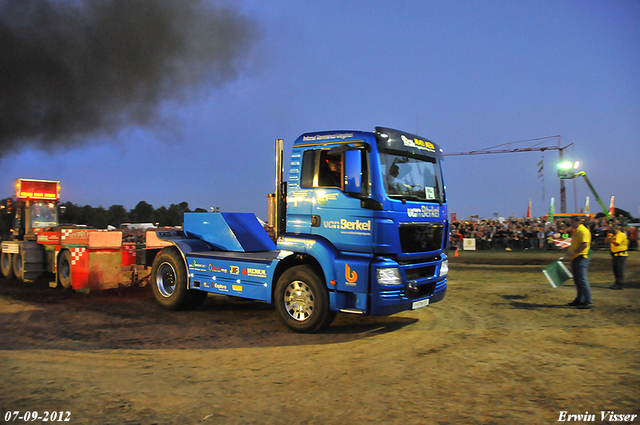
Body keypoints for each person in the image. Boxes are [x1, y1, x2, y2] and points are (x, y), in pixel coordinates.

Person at [566, 216, 592, 309]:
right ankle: (580, 299)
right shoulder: (577, 231)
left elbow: (584, 244)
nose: (571, 224)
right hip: (576, 258)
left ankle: (587, 301)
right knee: (578, 280)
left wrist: (574, 252)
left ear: (577, 222)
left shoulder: (583, 231)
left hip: (580, 257)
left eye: (572, 222)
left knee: (582, 280)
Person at [605, 224, 628, 290]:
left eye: (612, 229)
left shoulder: (620, 235)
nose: (611, 230)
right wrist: (608, 237)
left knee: (620, 270)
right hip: (615, 255)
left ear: (616, 229)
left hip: (621, 255)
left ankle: (620, 284)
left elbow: (616, 243)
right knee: (615, 270)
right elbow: (606, 242)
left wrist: (611, 239)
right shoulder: (613, 235)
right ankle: (617, 283)